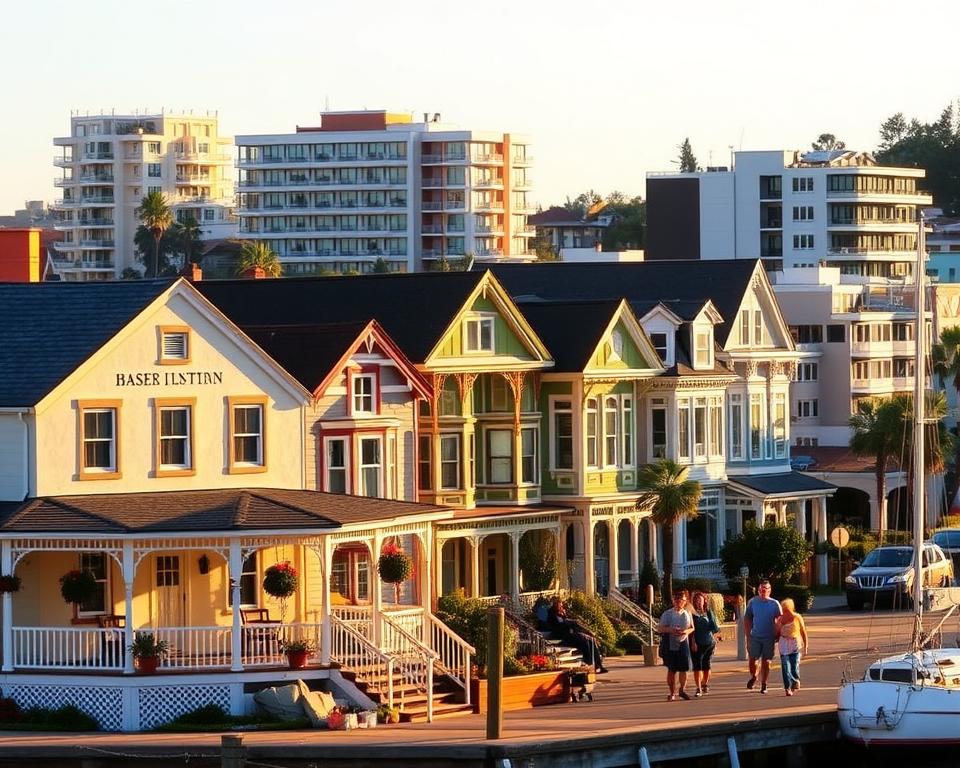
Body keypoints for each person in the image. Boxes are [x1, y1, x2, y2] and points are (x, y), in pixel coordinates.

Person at [546, 596, 608, 673]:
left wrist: (565, 615)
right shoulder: (552, 615)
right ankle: (589, 661)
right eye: (560, 606)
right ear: (555, 606)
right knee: (584, 639)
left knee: (591, 640)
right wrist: (567, 620)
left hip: (571, 635)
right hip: (564, 637)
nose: (562, 607)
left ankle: (599, 665)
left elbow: (569, 623)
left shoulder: (562, 614)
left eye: (561, 606)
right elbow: (560, 626)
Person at [743, 579, 782, 694]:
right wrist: (748, 637)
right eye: (760, 590)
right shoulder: (753, 602)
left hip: (769, 637)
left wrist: (778, 633)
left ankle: (764, 683)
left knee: (766, 661)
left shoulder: (775, 604)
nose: (762, 592)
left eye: (764, 590)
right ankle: (754, 676)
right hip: (755, 636)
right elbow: (747, 619)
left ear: (769, 591)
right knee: (752, 660)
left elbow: (781, 620)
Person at [656, 590, 694, 701]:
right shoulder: (667, 614)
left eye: (681, 600)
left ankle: (682, 690)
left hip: (683, 642)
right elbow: (659, 628)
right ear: (673, 601)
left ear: (685, 601)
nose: (678, 602)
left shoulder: (687, 613)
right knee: (672, 669)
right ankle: (672, 692)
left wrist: (686, 632)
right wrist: (671, 630)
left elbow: (692, 627)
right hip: (670, 643)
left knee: (684, 668)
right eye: (676, 600)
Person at [690, 591, 722, 697]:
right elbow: (691, 630)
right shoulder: (692, 614)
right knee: (697, 666)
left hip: (709, 643)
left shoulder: (708, 612)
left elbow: (715, 628)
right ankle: (698, 688)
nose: (699, 602)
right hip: (697, 643)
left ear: (704, 601)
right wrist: (693, 642)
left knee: (706, 666)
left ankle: (704, 683)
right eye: (696, 600)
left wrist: (709, 614)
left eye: (700, 600)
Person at [775, 597, 809, 696]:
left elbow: (803, 631)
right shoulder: (780, 619)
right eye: (784, 609)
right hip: (784, 643)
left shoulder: (797, 617)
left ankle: (795, 680)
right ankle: (787, 688)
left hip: (795, 643)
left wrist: (806, 646)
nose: (785, 612)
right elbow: (776, 633)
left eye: (787, 609)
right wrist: (777, 626)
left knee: (794, 665)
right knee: (785, 666)